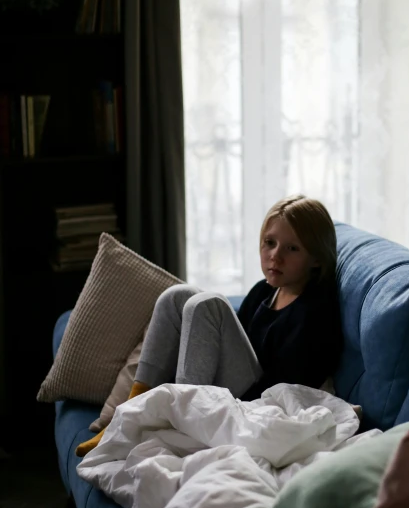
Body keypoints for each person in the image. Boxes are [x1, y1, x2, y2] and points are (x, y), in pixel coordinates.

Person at [76, 194, 344, 457]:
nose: (275, 256)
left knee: (208, 304)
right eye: (269, 243)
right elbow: (234, 347)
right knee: (177, 295)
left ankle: (181, 414)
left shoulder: (315, 311)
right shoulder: (264, 292)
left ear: (317, 258)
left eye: (292, 248)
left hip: (254, 403)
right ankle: (126, 415)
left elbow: (287, 388)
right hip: (236, 388)